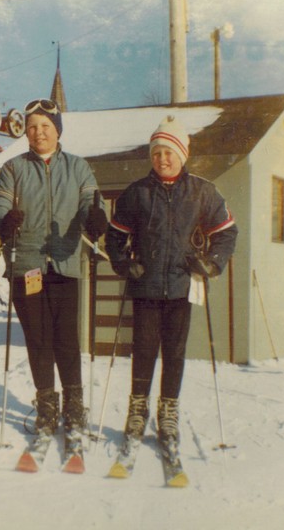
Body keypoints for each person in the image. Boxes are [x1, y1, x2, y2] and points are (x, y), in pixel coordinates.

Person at [105, 115, 237, 457]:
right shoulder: (137, 192)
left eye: (168, 152)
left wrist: (212, 262)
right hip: (145, 285)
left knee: (174, 353)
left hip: (182, 285)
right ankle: (137, 410)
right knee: (144, 351)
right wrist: (122, 262)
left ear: (182, 154)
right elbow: (115, 236)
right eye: (156, 153)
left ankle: (168, 412)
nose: (162, 159)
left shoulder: (203, 192)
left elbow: (226, 232)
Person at [0, 98, 108, 437]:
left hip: (65, 263)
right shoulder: (14, 169)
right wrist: (3, 218)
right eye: (33, 127)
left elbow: (90, 200)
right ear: (26, 132)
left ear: (57, 130)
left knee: (66, 339)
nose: (39, 132)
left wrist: (95, 218)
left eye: (45, 126)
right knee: (38, 339)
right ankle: (46, 404)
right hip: (27, 265)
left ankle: (73, 403)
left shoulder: (77, 167)